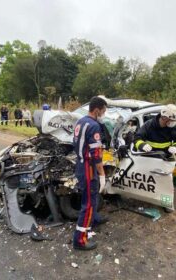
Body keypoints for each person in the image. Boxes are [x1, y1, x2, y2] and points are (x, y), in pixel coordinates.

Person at [73, 96, 108, 251]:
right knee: (87, 203)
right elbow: (96, 156)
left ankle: (93, 219)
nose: (103, 114)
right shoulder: (94, 126)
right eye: (103, 111)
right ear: (97, 109)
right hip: (88, 167)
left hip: (80, 164)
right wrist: (102, 175)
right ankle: (80, 240)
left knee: (91, 197)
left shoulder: (81, 121)